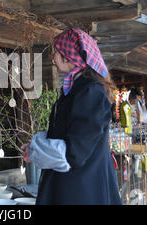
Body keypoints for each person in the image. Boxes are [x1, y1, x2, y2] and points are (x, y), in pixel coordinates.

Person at [22, 28, 121, 205]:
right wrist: (35, 147)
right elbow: (68, 136)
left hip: (81, 191)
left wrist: (38, 148)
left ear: (69, 55)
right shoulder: (76, 90)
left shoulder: (90, 92)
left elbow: (74, 154)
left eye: (57, 52)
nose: (53, 57)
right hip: (72, 186)